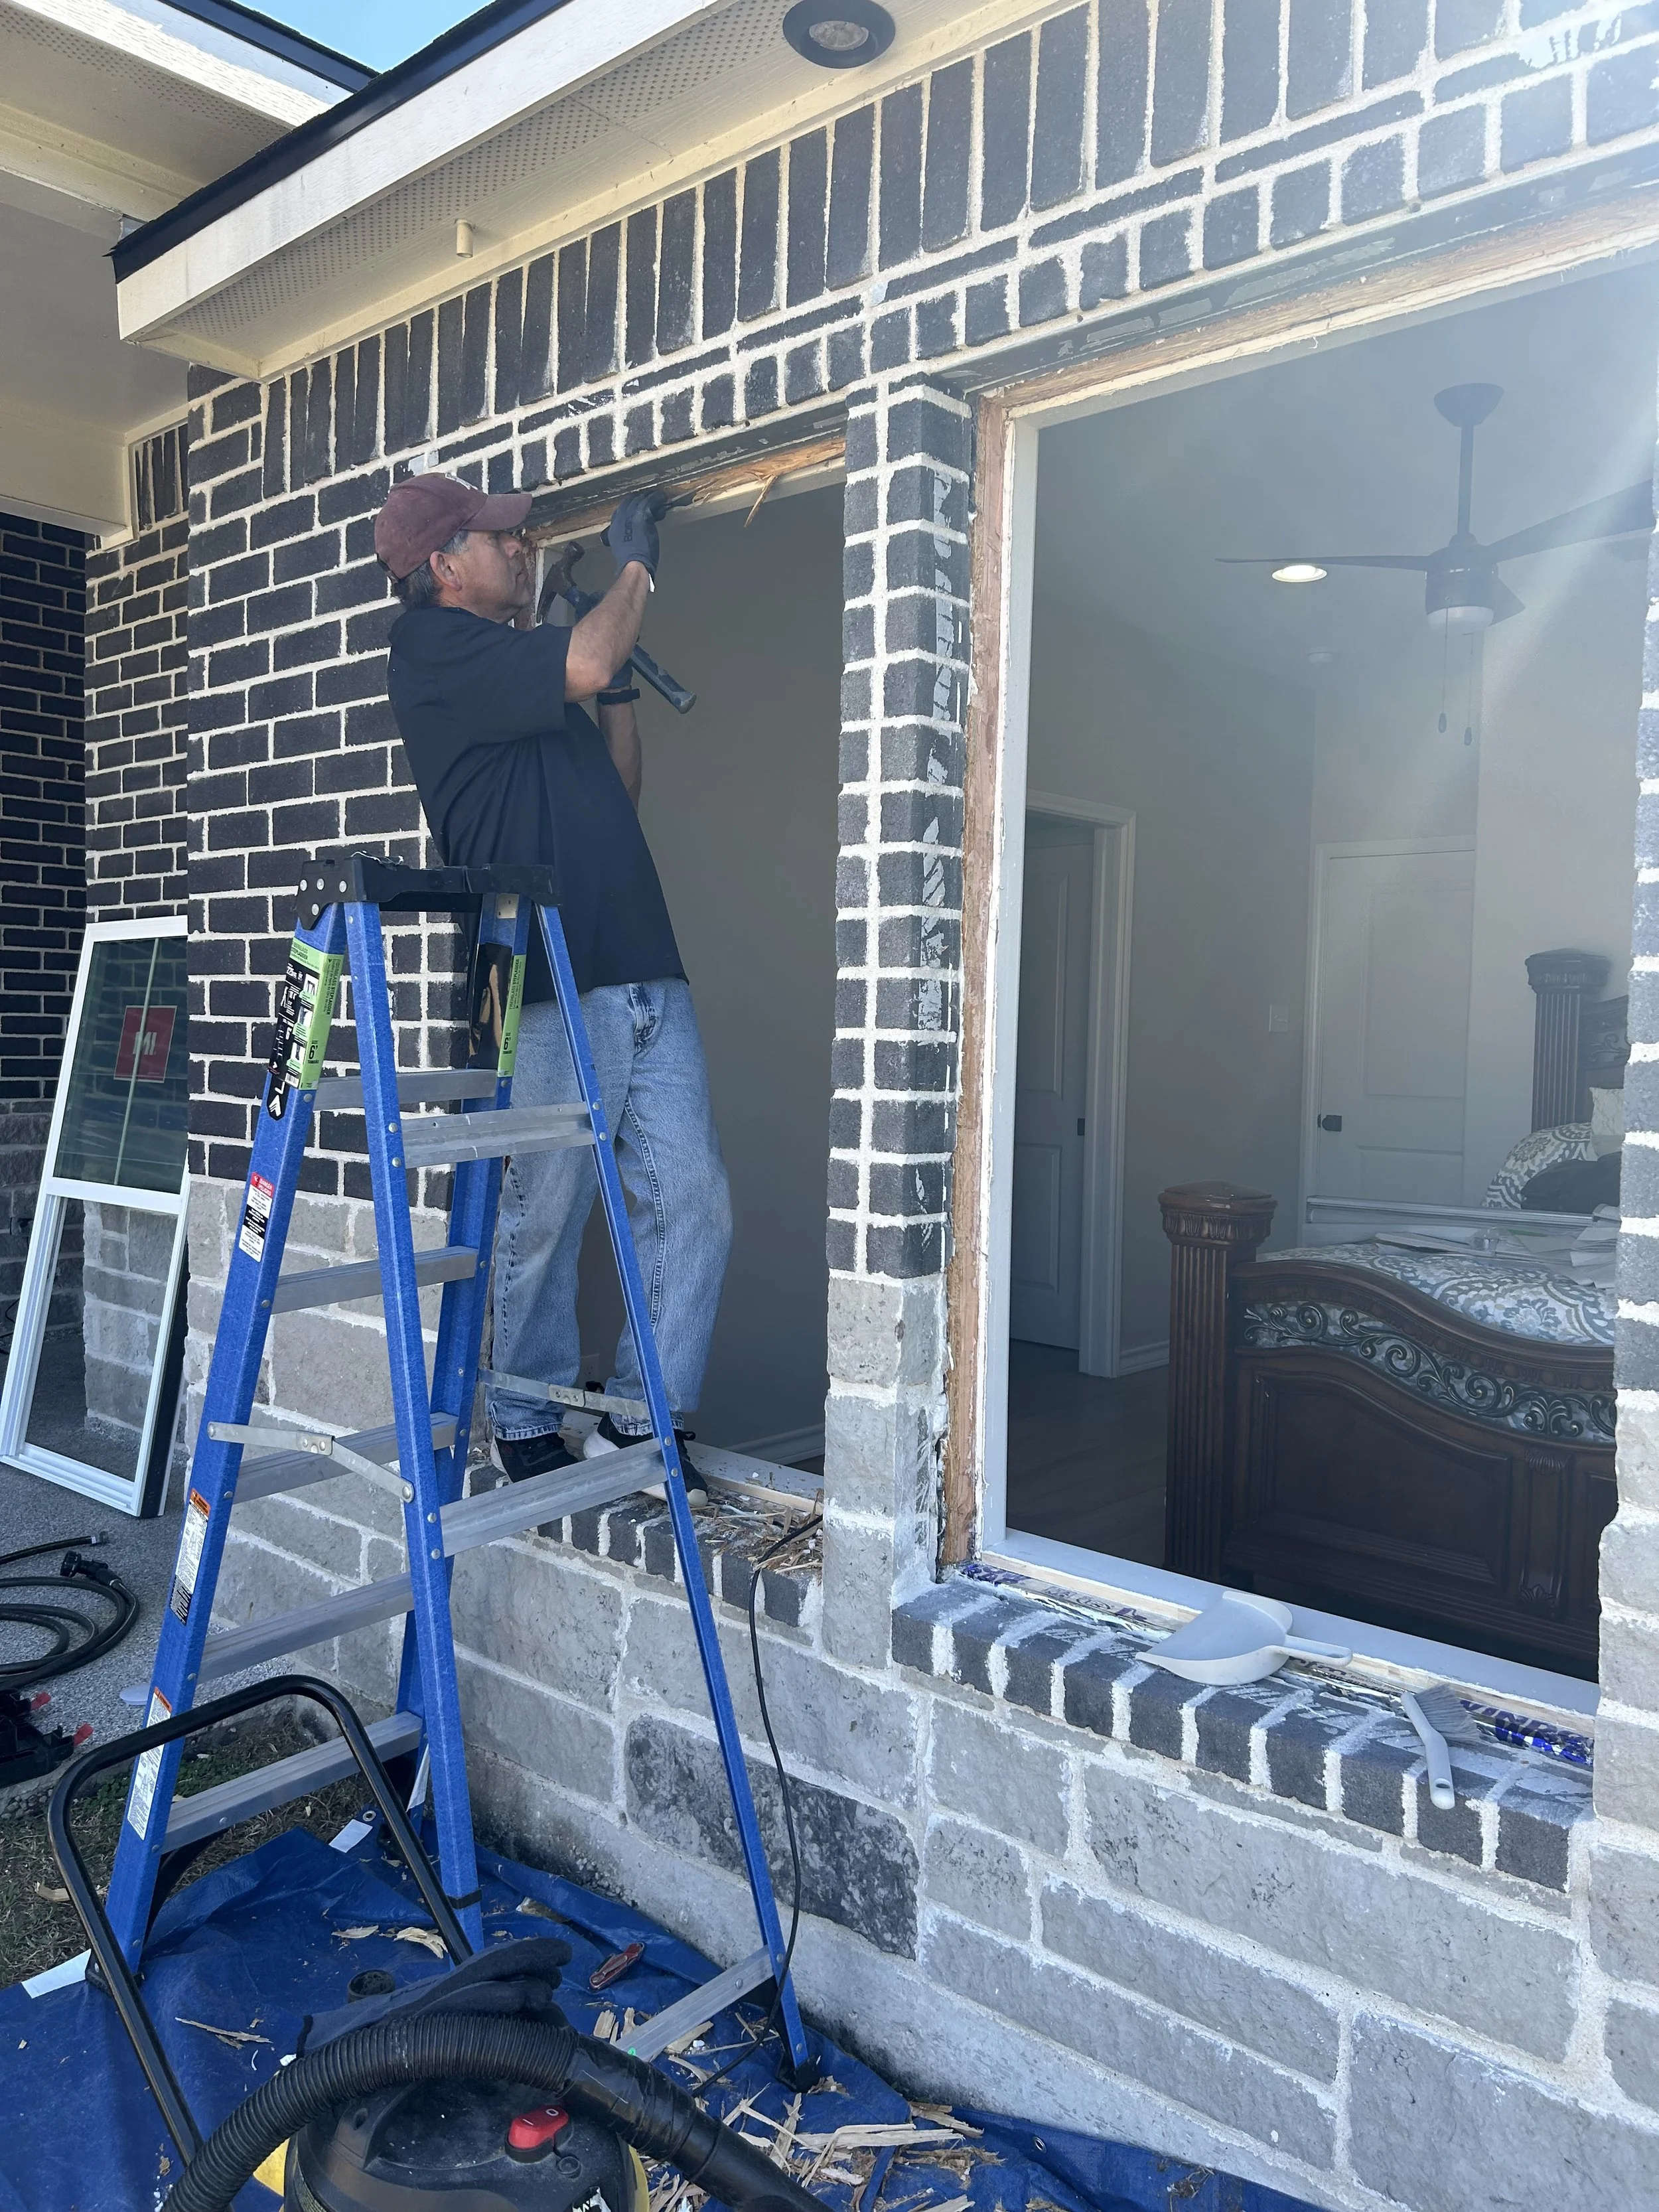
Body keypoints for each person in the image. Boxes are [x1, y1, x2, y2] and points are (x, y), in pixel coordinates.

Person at [373, 471, 729, 1507]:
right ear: (444, 568)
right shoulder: (432, 651)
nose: (520, 549)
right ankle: (525, 1413)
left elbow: (619, 784)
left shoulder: (522, 670)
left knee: (694, 1201)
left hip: (640, 959)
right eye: (498, 542)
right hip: (525, 972)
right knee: (543, 1207)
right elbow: (582, 655)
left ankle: (637, 1420)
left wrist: (610, 681)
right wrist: (634, 570)